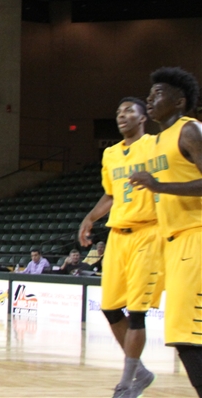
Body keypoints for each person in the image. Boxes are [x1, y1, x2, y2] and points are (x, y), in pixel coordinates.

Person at [78, 97, 159, 398]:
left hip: (148, 233)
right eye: (118, 112)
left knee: (137, 312)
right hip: (117, 235)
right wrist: (90, 217)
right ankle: (141, 372)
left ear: (143, 118)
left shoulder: (155, 145)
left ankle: (127, 383)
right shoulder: (110, 154)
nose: (121, 116)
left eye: (129, 112)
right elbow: (111, 194)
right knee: (111, 308)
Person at [130, 67, 202, 398]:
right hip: (175, 243)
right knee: (186, 335)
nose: (150, 98)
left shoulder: (190, 131)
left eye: (158, 93)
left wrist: (159, 185)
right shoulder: (158, 141)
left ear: (179, 102)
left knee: (186, 335)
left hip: (196, 237)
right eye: (150, 94)